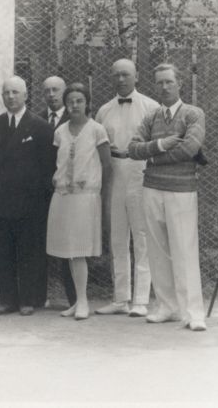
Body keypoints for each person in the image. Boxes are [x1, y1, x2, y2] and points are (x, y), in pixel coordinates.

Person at [128, 63, 207, 331]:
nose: (163, 87)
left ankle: (193, 312)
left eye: (169, 82)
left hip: (182, 190)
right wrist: (159, 146)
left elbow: (190, 149)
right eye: (159, 82)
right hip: (152, 189)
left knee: (184, 249)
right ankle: (167, 306)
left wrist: (151, 157)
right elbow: (132, 148)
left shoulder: (193, 114)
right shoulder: (151, 117)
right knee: (157, 250)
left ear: (179, 83)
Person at [94, 59, 157, 318]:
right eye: (116, 75)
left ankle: (141, 300)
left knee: (141, 236)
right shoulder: (103, 111)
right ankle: (121, 298)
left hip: (140, 170)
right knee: (117, 237)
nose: (121, 79)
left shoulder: (151, 107)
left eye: (126, 74)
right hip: (114, 172)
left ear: (136, 76)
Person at [0, 76, 55, 315]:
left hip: (30, 203)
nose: (11, 97)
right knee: (4, 253)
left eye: (16, 92)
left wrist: (41, 201)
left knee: (29, 252)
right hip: (2, 201)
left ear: (26, 95)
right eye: (6, 93)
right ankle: (7, 300)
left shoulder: (41, 127)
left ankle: (28, 299)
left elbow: (48, 168)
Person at [46, 83, 112, 320]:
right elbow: (57, 163)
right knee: (69, 251)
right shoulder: (60, 132)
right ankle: (77, 302)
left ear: (87, 103)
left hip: (86, 198)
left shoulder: (97, 130)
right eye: (70, 101)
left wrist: (104, 196)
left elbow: (107, 165)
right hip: (63, 197)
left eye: (79, 101)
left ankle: (82, 301)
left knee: (79, 251)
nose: (74, 106)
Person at [42, 75, 76, 309]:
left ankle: (74, 298)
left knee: (69, 244)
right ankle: (37, 295)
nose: (51, 94)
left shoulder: (75, 118)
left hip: (67, 191)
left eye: (56, 90)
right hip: (40, 192)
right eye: (47, 91)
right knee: (38, 244)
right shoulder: (35, 119)